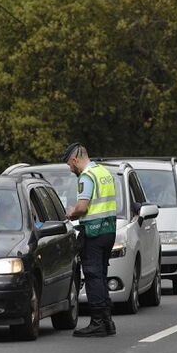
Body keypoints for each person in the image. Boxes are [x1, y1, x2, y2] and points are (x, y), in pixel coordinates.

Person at [62, 142, 118, 337]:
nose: (70, 169)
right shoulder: (103, 172)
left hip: (93, 232)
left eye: (70, 165)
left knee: (93, 275)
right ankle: (107, 320)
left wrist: (72, 212)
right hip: (109, 230)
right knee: (101, 274)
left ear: (75, 160)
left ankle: (97, 322)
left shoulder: (86, 177)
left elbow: (83, 206)